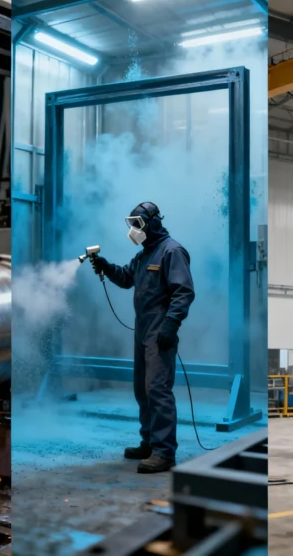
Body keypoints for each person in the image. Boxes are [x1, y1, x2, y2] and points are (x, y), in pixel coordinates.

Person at [91, 202, 195, 474]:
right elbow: (127, 278)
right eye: (131, 224)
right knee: (142, 389)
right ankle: (149, 442)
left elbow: (183, 292)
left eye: (137, 224)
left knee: (158, 389)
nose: (134, 230)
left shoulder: (172, 251)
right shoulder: (143, 255)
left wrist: (171, 324)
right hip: (143, 329)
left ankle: (164, 452)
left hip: (160, 330)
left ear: (153, 223)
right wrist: (106, 267)